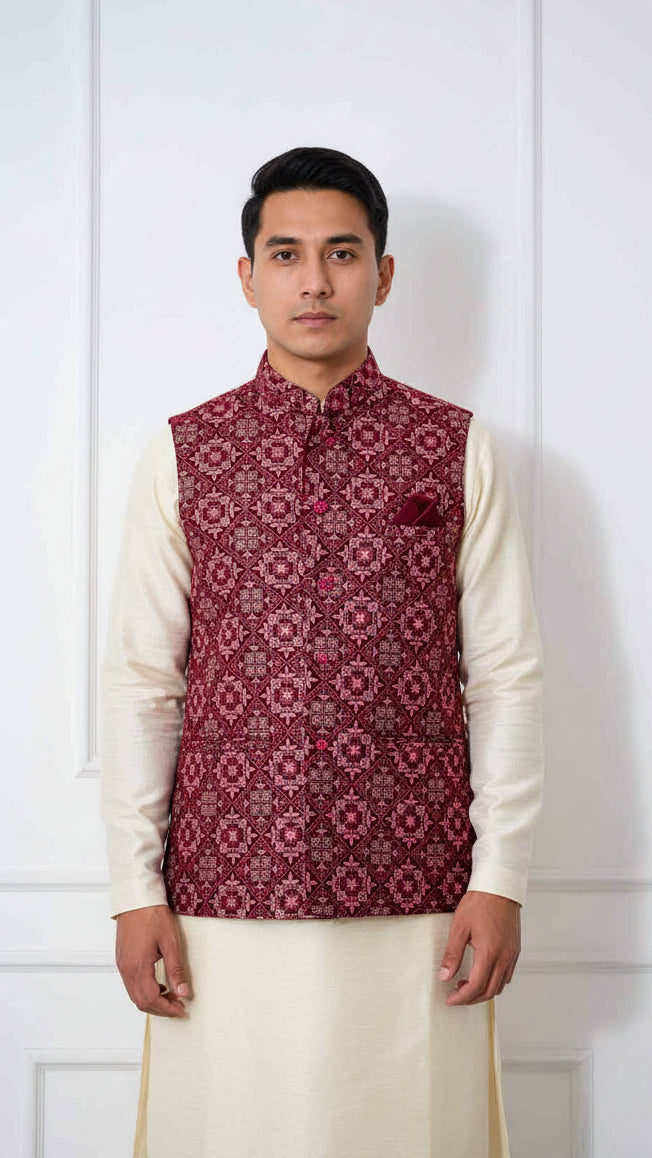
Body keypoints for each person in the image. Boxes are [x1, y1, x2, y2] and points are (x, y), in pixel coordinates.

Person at [100, 145, 544, 1158]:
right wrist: (134, 892)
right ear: (247, 276)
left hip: (420, 893)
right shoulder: (185, 453)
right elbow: (143, 685)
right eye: (286, 254)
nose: (314, 281)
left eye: (341, 254)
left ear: (382, 275)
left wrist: (501, 877)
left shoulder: (454, 446)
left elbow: (506, 676)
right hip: (222, 891)